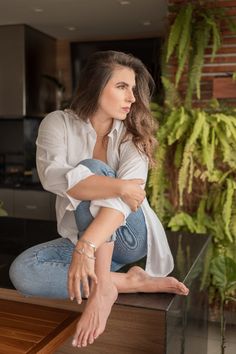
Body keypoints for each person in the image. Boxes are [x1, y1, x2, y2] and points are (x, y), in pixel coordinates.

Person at [9, 50, 189, 348]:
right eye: (122, 87)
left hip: (130, 237)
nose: (132, 97)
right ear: (95, 85)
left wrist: (86, 246)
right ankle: (124, 282)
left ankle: (105, 283)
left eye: (133, 89)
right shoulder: (57, 123)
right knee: (24, 272)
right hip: (80, 237)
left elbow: (126, 201)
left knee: (90, 170)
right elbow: (52, 177)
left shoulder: (134, 135)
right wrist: (118, 186)